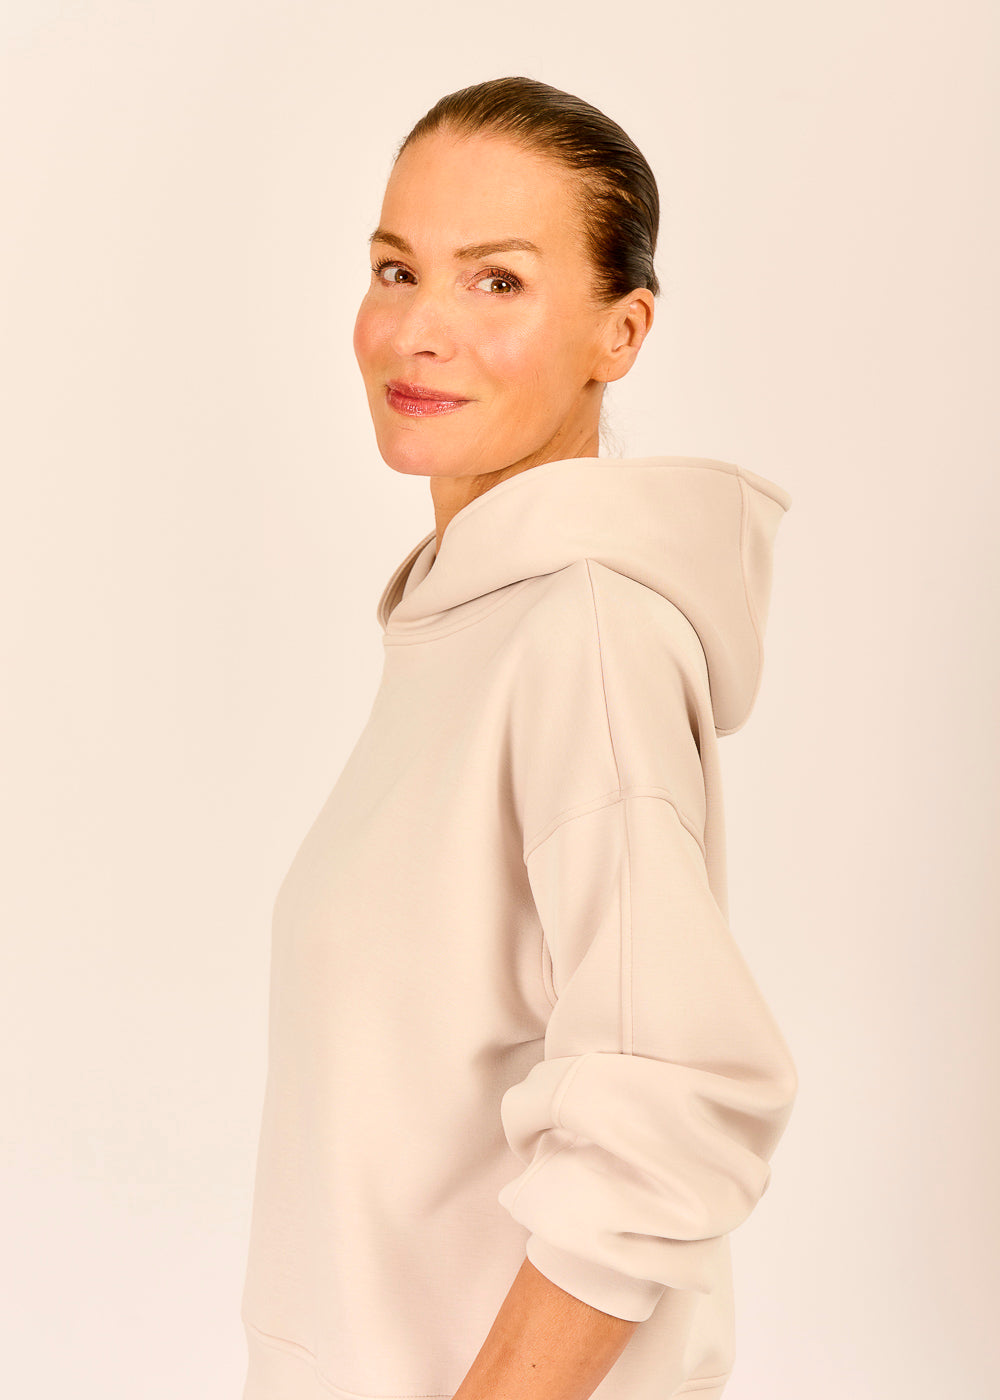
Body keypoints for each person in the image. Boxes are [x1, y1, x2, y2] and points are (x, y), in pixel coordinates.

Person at [239, 75, 799, 1400]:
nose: (417, 330)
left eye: (496, 281)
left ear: (622, 331)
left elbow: (673, 1102)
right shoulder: (472, 622)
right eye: (398, 269)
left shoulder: (583, 635)